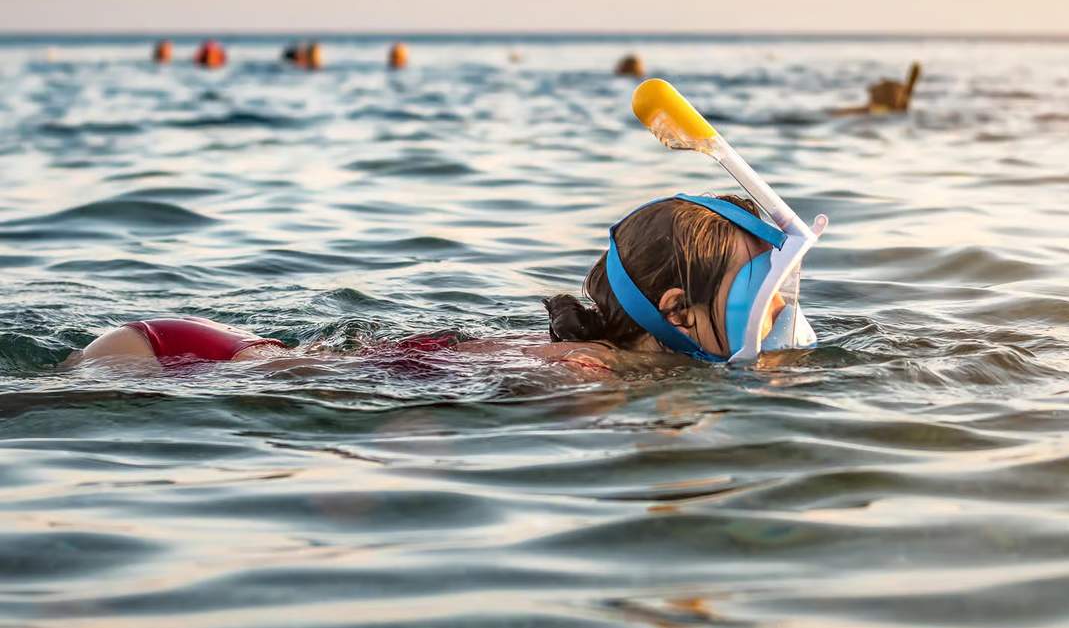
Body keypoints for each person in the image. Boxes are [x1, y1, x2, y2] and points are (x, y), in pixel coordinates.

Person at [70, 195, 807, 374]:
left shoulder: (612, 372)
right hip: (186, 359)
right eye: (758, 296)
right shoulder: (591, 378)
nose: (775, 315)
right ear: (677, 309)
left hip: (218, 349)